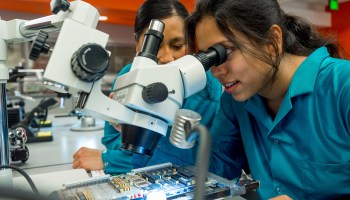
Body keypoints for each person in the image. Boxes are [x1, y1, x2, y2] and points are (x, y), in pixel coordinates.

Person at [185, 0, 350, 199]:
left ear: (272, 41)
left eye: (225, 51)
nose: (216, 70)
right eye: (209, 58)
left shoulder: (342, 86)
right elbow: (215, 174)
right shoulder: (235, 101)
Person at [72, 0, 222, 175]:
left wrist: (111, 160)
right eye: (155, 46)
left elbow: (216, 162)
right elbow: (113, 139)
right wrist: (123, 124)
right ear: (137, 44)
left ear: (190, 43)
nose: (166, 58)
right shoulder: (129, 76)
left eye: (177, 45)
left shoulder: (209, 87)